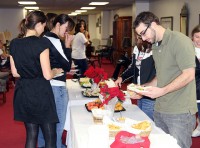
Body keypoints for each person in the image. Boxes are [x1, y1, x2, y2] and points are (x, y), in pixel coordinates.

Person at [133, 11, 197, 148]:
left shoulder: (180, 41)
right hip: (160, 109)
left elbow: (189, 74)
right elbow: (160, 76)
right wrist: (142, 89)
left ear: (153, 24)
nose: (143, 38)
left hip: (180, 113)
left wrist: (162, 91)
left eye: (144, 33)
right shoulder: (156, 45)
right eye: (140, 35)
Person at [9, 10, 63, 148]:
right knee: (50, 136)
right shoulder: (42, 43)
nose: (43, 30)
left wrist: (29, 71)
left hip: (23, 92)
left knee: (31, 134)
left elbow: (15, 73)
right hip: (41, 93)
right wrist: (56, 70)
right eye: (43, 26)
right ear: (38, 24)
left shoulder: (14, 43)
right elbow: (47, 75)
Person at [37, 14, 75, 148]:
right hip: (57, 86)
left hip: (45, 85)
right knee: (58, 123)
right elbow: (66, 65)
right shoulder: (54, 40)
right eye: (66, 28)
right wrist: (68, 45)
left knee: (44, 122)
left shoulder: (43, 38)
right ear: (58, 25)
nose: (66, 32)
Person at [115, 37, 156, 120]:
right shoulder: (137, 48)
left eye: (141, 35)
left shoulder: (155, 49)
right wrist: (121, 78)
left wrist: (143, 90)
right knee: (140, 119)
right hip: (138, 91)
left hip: (149, 94)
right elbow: (133, 67)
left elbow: (158, 74)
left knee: (147, 121)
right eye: (137, 35)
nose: (138, 38)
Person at [191, 25, 200, 137]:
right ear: (192, 37)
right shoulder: (188, 51)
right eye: (197, 36)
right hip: (193, 87)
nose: (199, 40)